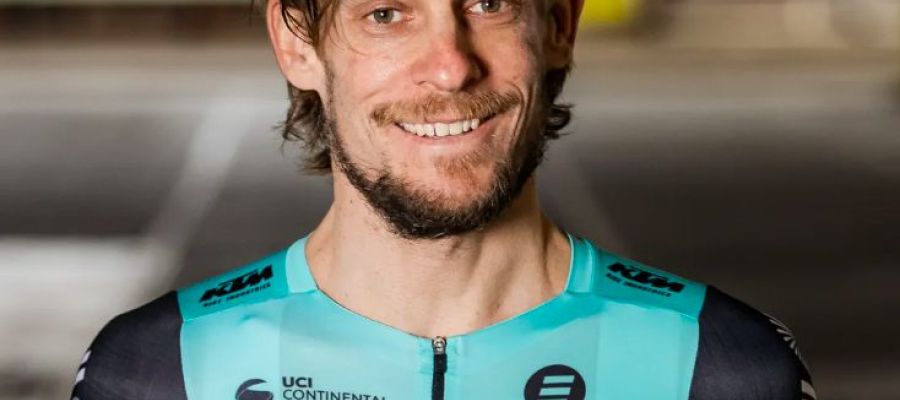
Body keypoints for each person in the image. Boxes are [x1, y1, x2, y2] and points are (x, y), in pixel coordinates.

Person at [70, 0, 817, 399]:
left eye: (488, 3)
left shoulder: (720, 368)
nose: (451, 66)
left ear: (559, 25)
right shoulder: (157, 373)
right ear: (298, 45)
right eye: (386, 14)